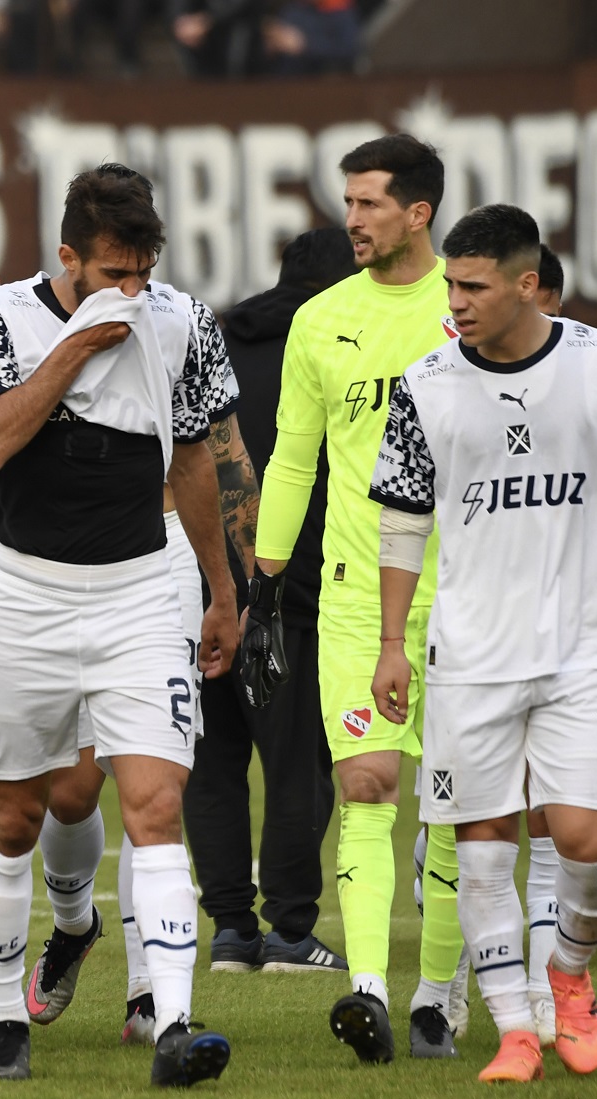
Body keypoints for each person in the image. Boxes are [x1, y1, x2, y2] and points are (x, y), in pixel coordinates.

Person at [0, 166, 240, 1087]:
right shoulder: (1, 316)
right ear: (67, 257)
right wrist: (78, 348)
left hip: (140, 592)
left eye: (143, 269)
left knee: (156, 807)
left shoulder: (186, 321)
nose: (131, 290)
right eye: (111, 271)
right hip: (28, 594)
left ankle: (173, 1024)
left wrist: (221, 589)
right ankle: (3, 1018)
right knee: (13, 815)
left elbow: (195, 460)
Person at [246, 133, 466, 1063]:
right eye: (349, 201)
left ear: (419, 211)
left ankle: (441, 997)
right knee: (367, 785)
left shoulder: (469, 306)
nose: (354, 218)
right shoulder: (321, 318)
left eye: (371, 202)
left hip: (466, 594)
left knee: (460, 807)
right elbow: (297, 457)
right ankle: (372, 991)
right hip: (348, 598)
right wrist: (262, 582)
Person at [370, 202, 597, 1084]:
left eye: (472, 286)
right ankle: (514, 1029)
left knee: (583, 837)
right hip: (467, 655)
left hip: (578, 649)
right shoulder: (425, 383)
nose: (455, 301)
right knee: (483, 846)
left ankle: (570, 978)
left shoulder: (587, 366)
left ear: (528, 283)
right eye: (450, 285)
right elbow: (401, 524)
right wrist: (393, 642)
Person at [184, 227, 356, 973]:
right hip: (294, 587)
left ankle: (229, 928)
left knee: (213, 759)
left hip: (198, 585)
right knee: (296, 763)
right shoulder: (338, 351)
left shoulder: (216, 347)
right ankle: (289, 929)